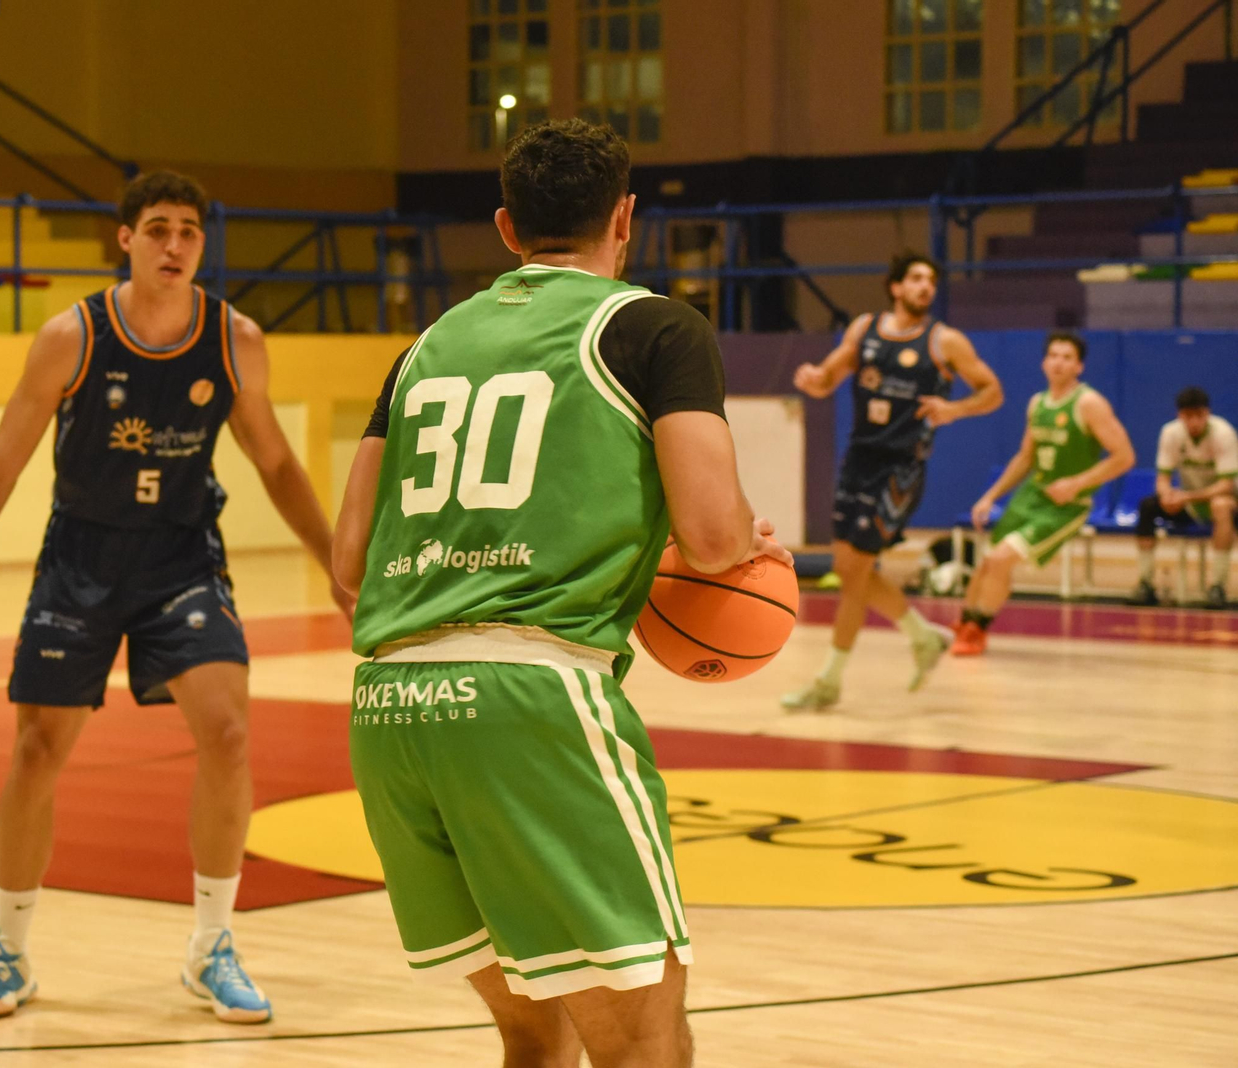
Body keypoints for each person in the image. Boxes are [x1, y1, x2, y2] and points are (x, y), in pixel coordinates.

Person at [333, 119, 787, 1068]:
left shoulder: (425, 346)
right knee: (642, 1039)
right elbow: (709, 536)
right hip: (533, 699)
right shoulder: (654, 326)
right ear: (626, 218)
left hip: (392, 706)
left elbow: (348, 562)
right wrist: (747, 534)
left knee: (533, 1035)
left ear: (507, 229)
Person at [0, 170, 350, 1023]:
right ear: (124, 239)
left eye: (190, 233)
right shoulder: (72, 336)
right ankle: (7, 950)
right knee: (35, 754)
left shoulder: (234, 337)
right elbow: (1, 466)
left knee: (231, 729)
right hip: (82, 559)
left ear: (203, 246)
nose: (175, 245)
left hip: (180, 559)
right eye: (159, 229)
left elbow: (276, 463)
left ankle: (212, 946)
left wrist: (336, 565)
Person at [781, 253, 1003, 711]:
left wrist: (955, 410)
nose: (926, 287)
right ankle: (922, 637)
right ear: (896, 286)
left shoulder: (946, 342)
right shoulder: (864, 329)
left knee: (856, 572)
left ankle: (829, 681)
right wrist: (814, 380)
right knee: (848, 570)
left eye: (932, 281)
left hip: (901, 468)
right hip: (859, 457)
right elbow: (829, 377)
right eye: (917, 279)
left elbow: (992, 391)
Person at [951, 332, 1135, 654]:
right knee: (988, 564)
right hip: (1032, 494)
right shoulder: (1037, 403)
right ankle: (964, 623)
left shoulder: (1089, 403)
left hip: (1066, 504)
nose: (1058, 363)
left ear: (1079, 366)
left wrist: (1076, 484)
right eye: (1053, 355)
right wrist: (990, 496)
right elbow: (1025, 457)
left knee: (999, 559)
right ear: (1043, 362)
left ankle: (977, 630)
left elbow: (1124, 457)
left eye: (1067, 357)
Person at [1129, 386, 1236, 608]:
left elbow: (1226, 485)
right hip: (1191, 502)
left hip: (1224, 500)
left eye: (1199, 415)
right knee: (1148, 506)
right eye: (1189, 416)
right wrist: (1166, 495)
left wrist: (1186, 497)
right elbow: (1163, 478)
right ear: (1180, 416)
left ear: (1207, 413)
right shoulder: (1171, 433)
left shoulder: (1223, 433)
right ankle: (1145, 582)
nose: (1194, 422)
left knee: (1221, 505)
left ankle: (1218, 586)